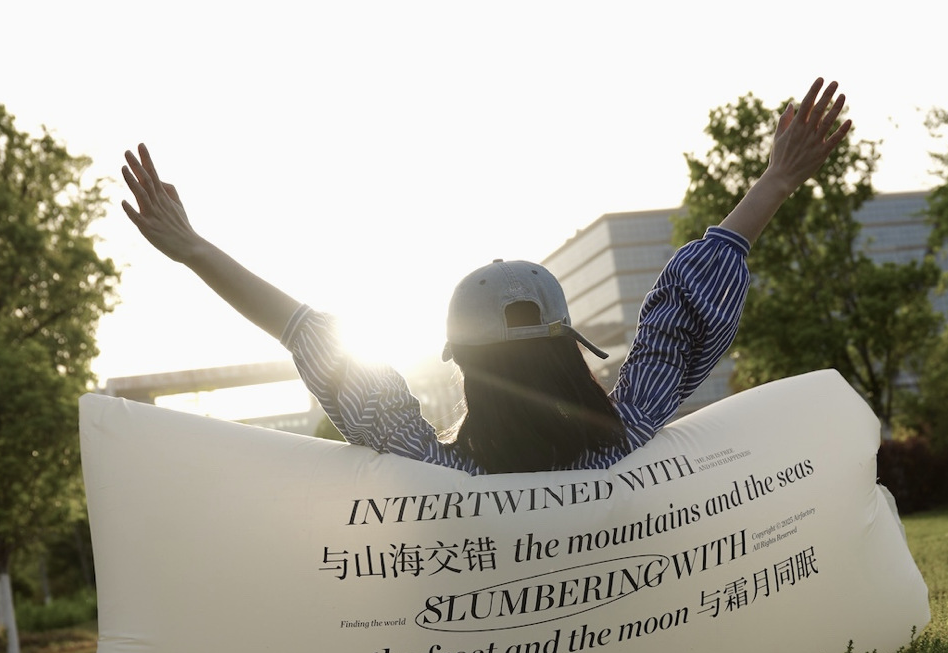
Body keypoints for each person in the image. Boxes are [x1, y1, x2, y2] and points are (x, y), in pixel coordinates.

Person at [121, 77, 850, 475]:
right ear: (569, 349)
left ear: (464, 367)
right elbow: (680, 319)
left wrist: (195, 250)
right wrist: (775, 181)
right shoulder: (627, 441)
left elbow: (310, 337)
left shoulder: (437, 475)